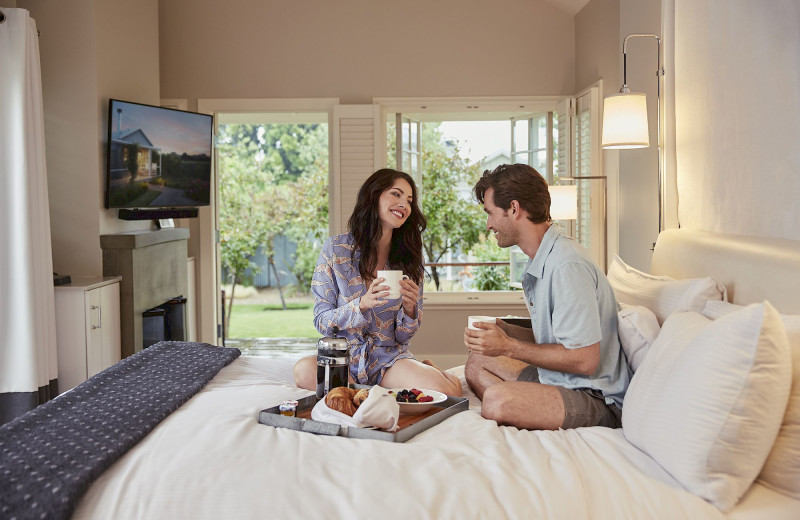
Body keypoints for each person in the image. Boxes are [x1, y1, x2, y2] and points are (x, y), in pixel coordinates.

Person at [464, 163, 630, 430]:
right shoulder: (543, 259)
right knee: (477, 362)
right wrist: (505, 331)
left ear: (514, 209)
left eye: (491, 213)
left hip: (594, 396)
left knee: (497, 400)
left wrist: (507, 347)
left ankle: (523, 409)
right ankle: (530, 409)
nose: (489, 224)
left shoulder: (566, 266)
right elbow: (558, 341)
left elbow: (584, 359)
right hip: (557, 379)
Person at [293, 168, 462, 396]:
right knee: (303, 370)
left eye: (409, 200)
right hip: (344, 357)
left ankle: (430, 374)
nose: (404, 204)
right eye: (396, 194)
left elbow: (404, 336)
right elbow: (322, 322)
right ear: (374, 196)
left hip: (389, 360)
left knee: (446, 391)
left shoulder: (411, 258)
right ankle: (363, 391)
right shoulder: (336, 250)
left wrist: (410, 310)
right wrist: (360, 305)